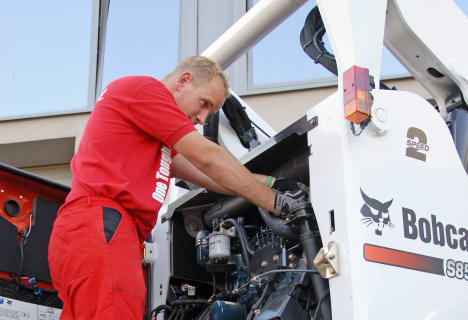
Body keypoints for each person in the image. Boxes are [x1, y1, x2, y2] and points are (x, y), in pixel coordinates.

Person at [47, 56, 305, 320]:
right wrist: (275, 202)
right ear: (184, 81)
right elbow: (208, 158)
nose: (203, 118)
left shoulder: (154, 139)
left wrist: (272, 183)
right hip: (102, 225)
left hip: (89, 232)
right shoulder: (145, 91)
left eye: (210, 113)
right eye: (204, 103)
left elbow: (210, 176)